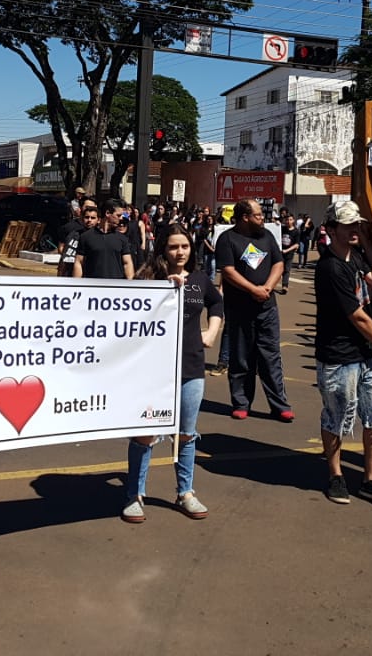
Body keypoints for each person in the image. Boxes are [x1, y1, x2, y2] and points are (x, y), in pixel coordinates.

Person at [122, 224, 224, 523]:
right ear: (162, 249)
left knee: (186, 434)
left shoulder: (200, 280)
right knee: (145, 434)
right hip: (152, 371)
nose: (180, 253)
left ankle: (185, 492)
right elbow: (129, 312)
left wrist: (213, 331)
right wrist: (164, 291)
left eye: (185, 247)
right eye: (173, 247)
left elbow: (216, 303)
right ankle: (135, 494)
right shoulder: (148, 278)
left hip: (191, 365)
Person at [314, 201, 372, 506]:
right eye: (348, 225)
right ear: (331, 229)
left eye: (356, 225)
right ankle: (336, 476)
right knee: (337, 416)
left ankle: (371, 478)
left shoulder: (357, 258)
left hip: (366, 353)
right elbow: (359, 317)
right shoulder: (330, 267)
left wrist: (368, 247)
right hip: (339, 355)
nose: (354, 230)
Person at [215, 198, 293, 421]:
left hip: (267, 308)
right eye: (258, 215)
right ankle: (241, 402)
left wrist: (267, 286)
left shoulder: (266, 236)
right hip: (239, 308)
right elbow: (228, 271)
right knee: (241, 358)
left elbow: (278, 262)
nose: (263, 219)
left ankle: (280, 405)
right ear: (245, 217)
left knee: (271, 357)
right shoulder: (227, 239)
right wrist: (252, 289)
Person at [74, 199, 134, 280]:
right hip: (92, 286)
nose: (121, 219)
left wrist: (130, 285)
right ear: (107, 213)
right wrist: (76, 284)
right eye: (118, 215)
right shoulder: (86, 237)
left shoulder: (122, 238)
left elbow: (127, 263)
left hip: (116, 286)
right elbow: (79, 262)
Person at [56, 200, 98, 278]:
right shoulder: (73, 233)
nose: (89, 220)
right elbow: (65, 256)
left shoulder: (103, 236)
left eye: (93, 218)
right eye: (87, 217)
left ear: (98, 219)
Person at [279, 212, 299, 294]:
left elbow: (296, 244)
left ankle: (285, 286)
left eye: (290, 220)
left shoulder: (296, 231)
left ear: (293, 220)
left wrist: (287, 250)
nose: (288, 221)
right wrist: (276, 223)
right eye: (287, 220)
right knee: (279, 269)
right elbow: (275, 231)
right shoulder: (282, 228)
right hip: (280, 253)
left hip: (289, 254)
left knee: (287, 270)